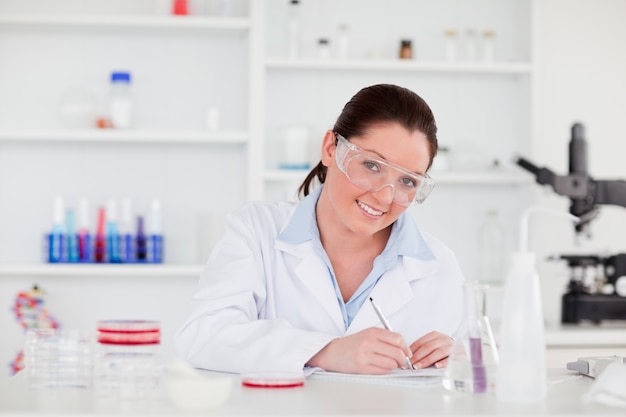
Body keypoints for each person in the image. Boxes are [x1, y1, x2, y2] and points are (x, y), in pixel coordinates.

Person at [175, 84, 465, 375]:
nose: (385, 197)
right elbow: (203, 336)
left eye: (408, 181)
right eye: (372, 165)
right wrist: (325, 351)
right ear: (330, 149)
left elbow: (477, 372)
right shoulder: (257, 230)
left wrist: (462, 357)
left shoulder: (439, 265)